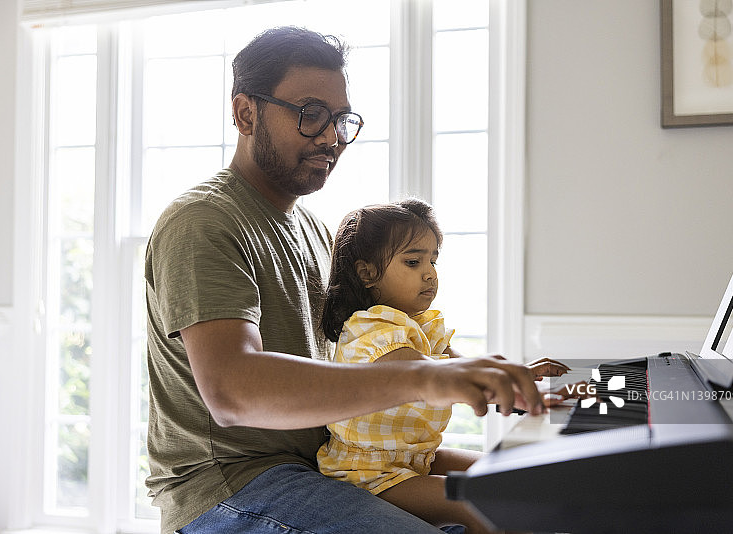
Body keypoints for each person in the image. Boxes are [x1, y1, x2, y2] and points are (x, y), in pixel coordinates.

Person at [144, 26, 568, 534]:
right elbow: (232, 391)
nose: (330, 136)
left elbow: (370, 350)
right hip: (233, 485)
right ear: (245, 113)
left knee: (526, 499)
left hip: (323, 466)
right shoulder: (203, 222)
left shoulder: (318, 233)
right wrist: (428, 377)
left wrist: (489, 378)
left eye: (341, 119)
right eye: (310, 114)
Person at [316, 199, 578, 534]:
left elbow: (462, 368)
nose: (429, 273)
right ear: (367, 273)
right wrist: (504, 384)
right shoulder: (369, 330)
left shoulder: (424, 325)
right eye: (413, 261)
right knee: (480, 503)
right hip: (367, 473)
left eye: (433, 260)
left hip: (416, 459)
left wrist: (524, 378)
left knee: (509, 473)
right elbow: (432, 376)